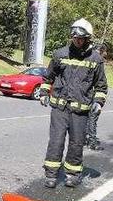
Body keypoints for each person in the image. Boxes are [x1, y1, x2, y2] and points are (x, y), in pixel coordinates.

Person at [39, 18, 108, 188]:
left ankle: (72, 174)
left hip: (80, 111)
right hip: (59, 108)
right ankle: (51, 174)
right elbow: (48, 76)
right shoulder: (60, 54)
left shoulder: (96, 59)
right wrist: (43, 92)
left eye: (80, 38)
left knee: (77, 143)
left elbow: (101, 85)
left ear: (87, 39)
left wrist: (98, 102)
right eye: (74, 38)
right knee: (56, 140)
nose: (77, 41)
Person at [86, 42, 109, 151]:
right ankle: (92, 142)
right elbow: (101, 82)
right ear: (100, 51)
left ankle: (83, 139)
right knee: (93, 118)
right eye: (104, 51)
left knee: (84, 118)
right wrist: (99, 101)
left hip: (83, 95)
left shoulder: (86, 58)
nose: (106, 54)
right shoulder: (98, 61)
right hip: (92, 96)